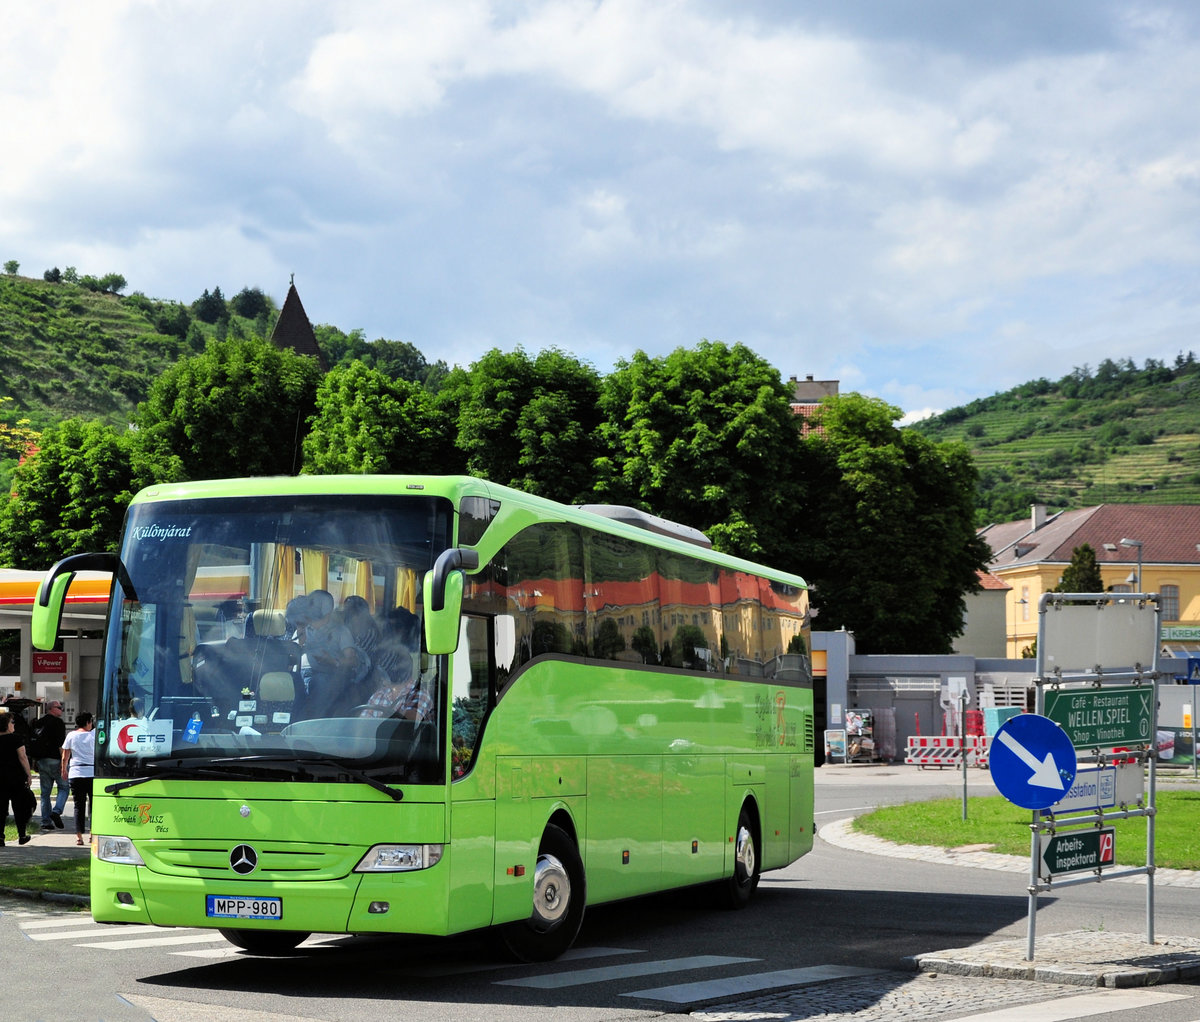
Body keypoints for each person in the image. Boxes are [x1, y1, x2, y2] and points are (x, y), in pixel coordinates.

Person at [29, 699, 69, 830]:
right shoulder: (58, 723)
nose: (61, 710)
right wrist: (64, 763)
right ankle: (56, 811)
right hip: (55, 760)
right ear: (51, 708)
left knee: (45, 793)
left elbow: (35, 743)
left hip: (42, 761)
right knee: (64, 787)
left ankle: (45, 821)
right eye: (59, 707)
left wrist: (35, 761)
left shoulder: (39, 723)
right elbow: (60, 745)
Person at [358, 653, 432, 722]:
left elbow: (406, 726)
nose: (379, 677)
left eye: (383, 672)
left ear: (395, 673)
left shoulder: (419, 694)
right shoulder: (379, 695)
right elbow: (362, 726)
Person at [61, 711, 95, 846]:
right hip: (92, 772)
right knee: (94, 806)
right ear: (88, 723)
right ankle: (93, 834)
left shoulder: (71, 735)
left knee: (78, 806)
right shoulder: (93, 735)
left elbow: (65, 755)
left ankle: (79, 837)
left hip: (76, 773)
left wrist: (64, 769)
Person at [0, 710, 34, 846]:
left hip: (0, 779)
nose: (13, 725)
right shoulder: (16, 739)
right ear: (7, 725)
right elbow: (22, 757)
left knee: (1, 808)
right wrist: (29, 774)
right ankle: (22, 835)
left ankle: (0, 837)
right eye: (12, 722)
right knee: (19, 807)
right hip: (16, 777)